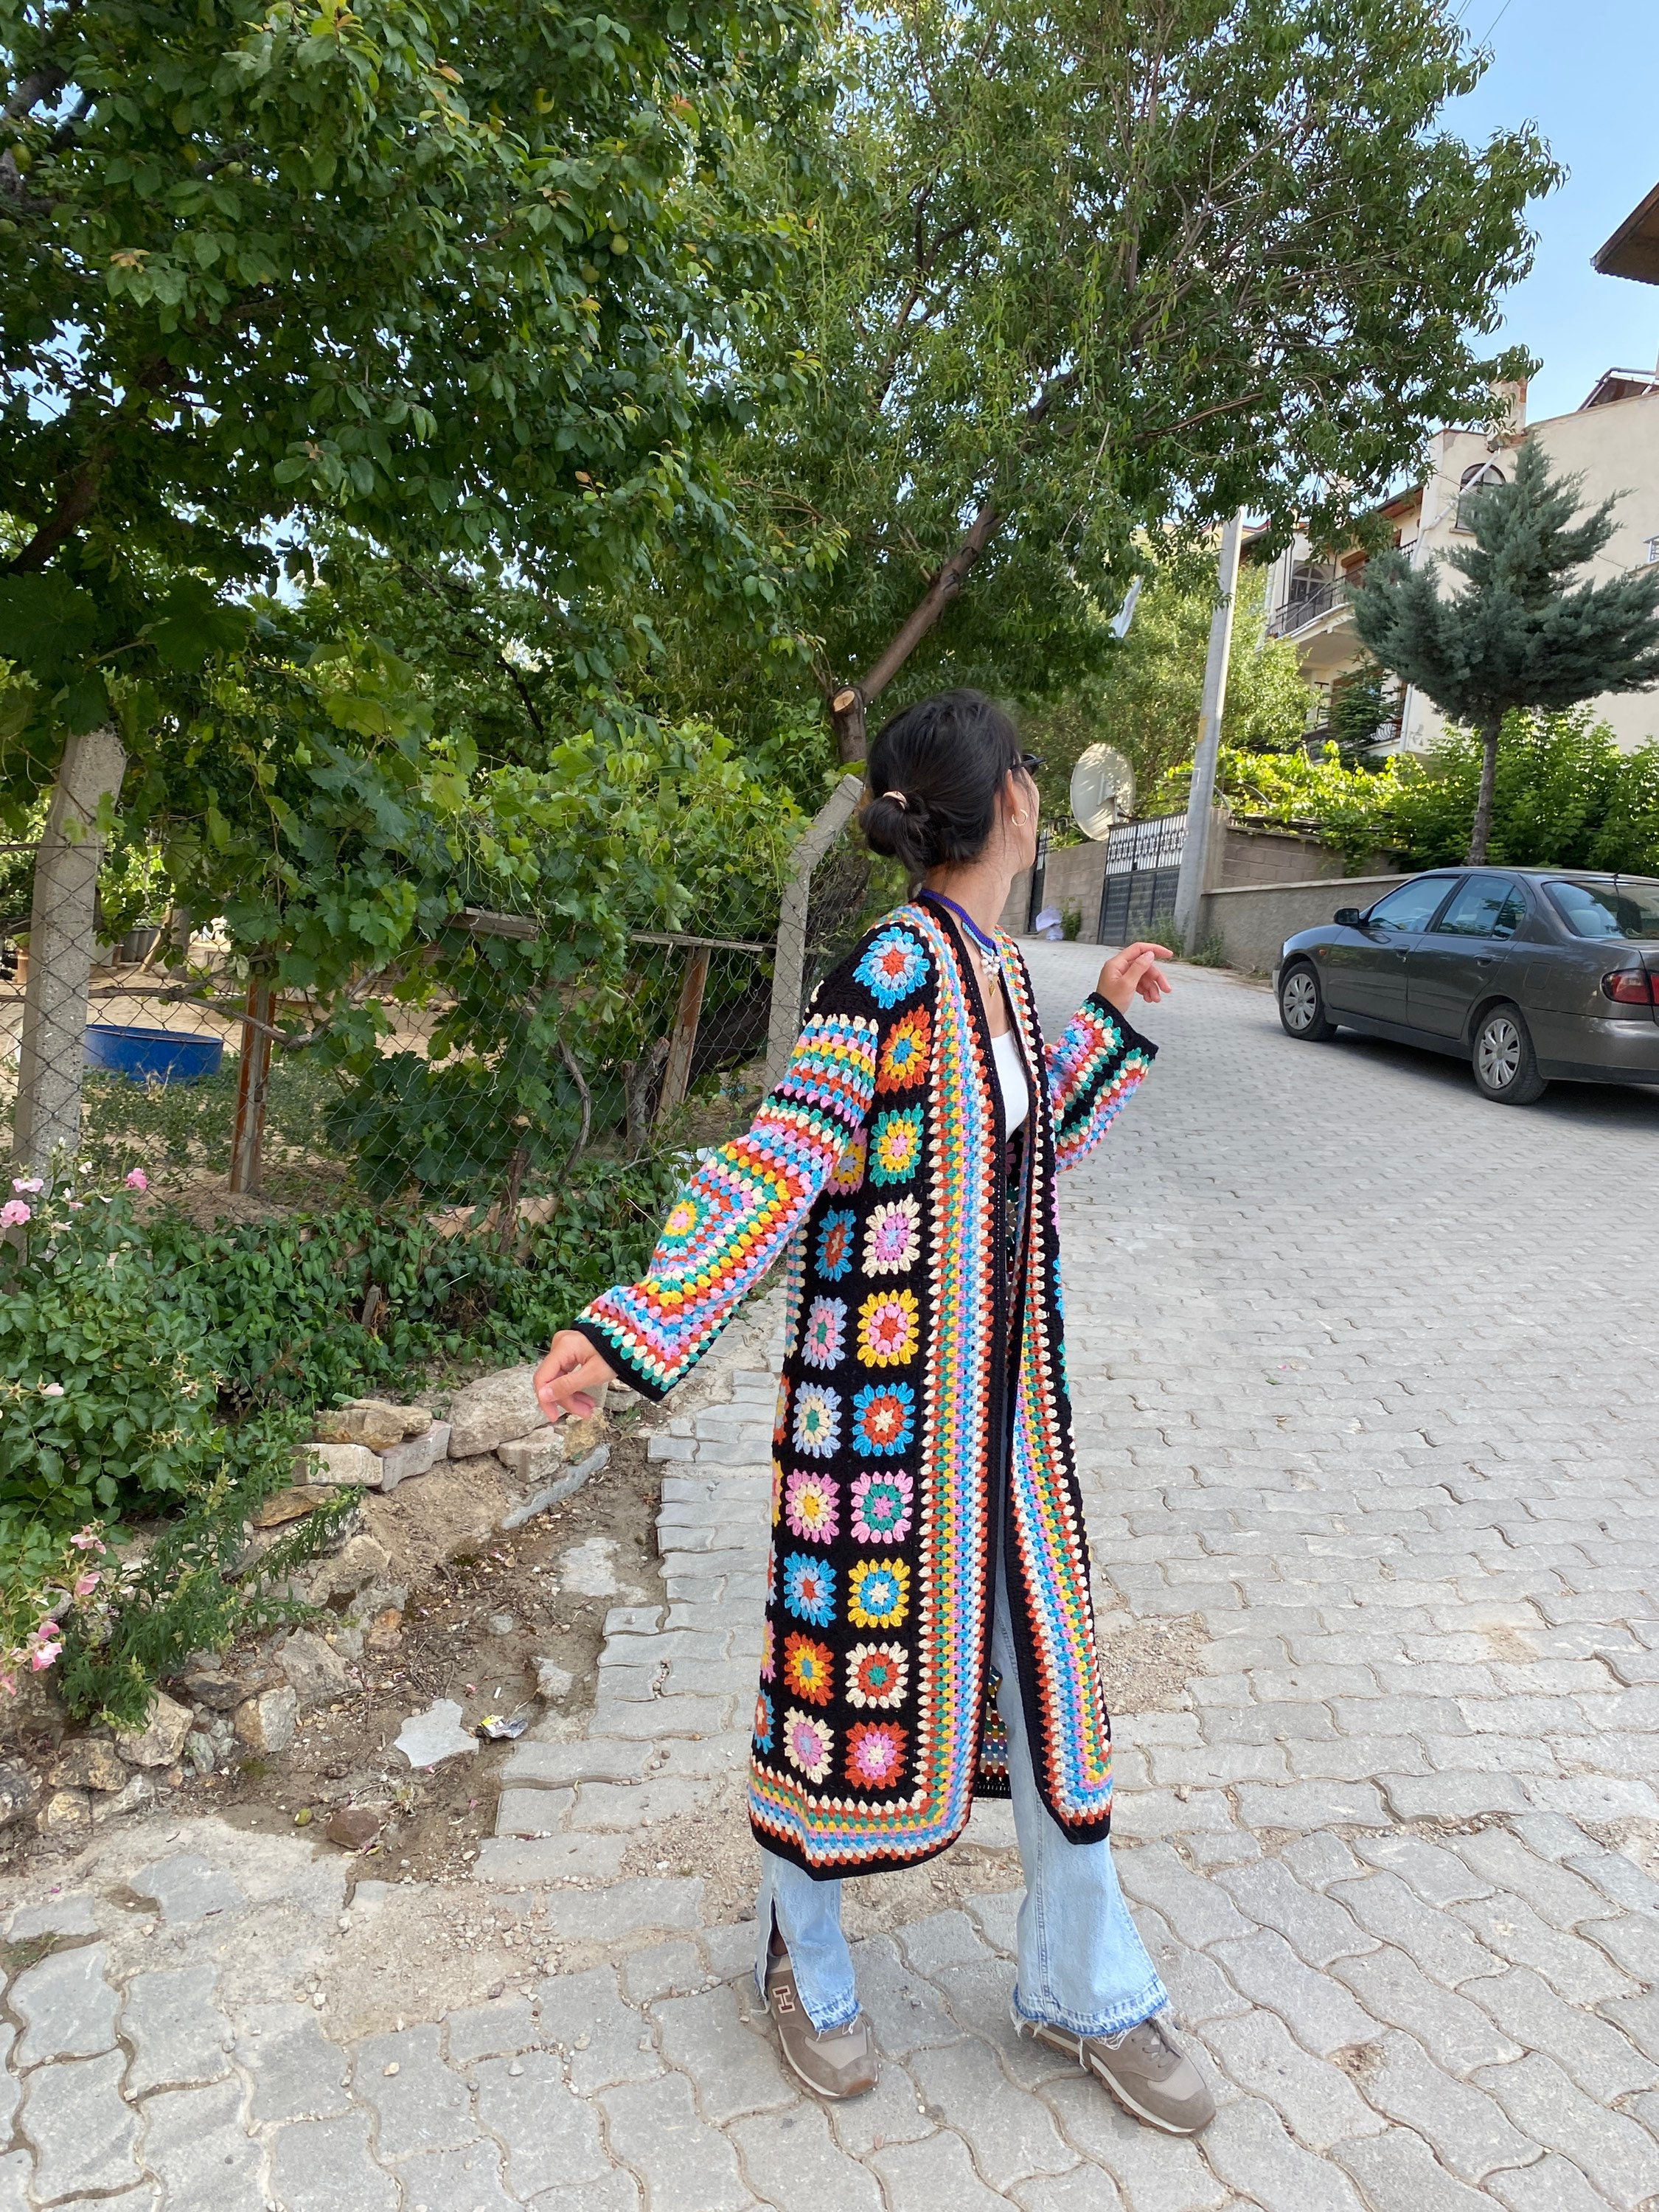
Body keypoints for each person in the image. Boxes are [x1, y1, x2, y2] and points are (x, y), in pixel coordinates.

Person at [534, 689, 1214, 2135]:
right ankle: (802, 1954)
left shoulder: (1003, 971)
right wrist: (634, 1324)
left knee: (1056, 1697)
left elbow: (1019, 1153)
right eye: (1031, 775)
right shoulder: (892, 969)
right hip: (881, 1438)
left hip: (1010, 1432)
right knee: (833, 1691)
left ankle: (1087, 1985)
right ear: (1013, 800)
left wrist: (1103, 1019)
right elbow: (780, 1161)